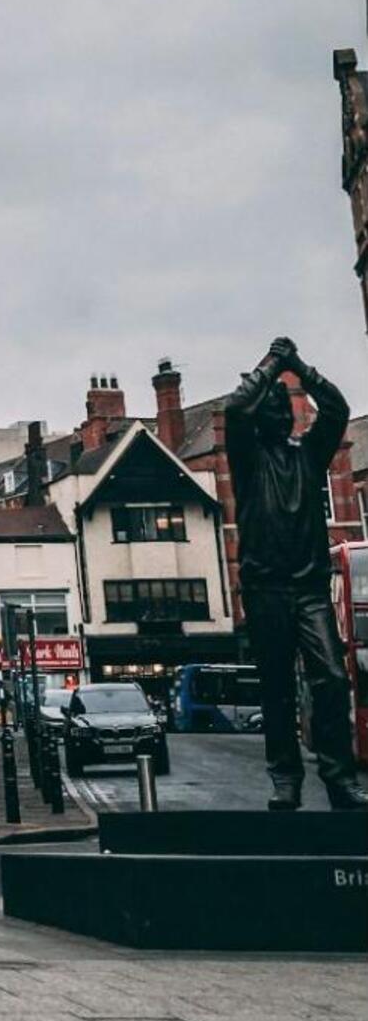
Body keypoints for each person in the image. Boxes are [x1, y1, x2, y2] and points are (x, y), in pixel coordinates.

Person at [225, 337, 368, 810]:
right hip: (265, 588)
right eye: (275, 403)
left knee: (329, 677)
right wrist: (271, 364)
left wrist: (299, 368)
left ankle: (338, 777)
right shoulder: (247, 458)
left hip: (308, 588)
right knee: (277, 686)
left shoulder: (309, 456)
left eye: (288, 403)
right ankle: (285, 779)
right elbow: (236, 408)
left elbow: (338, 407)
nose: (283, 409)